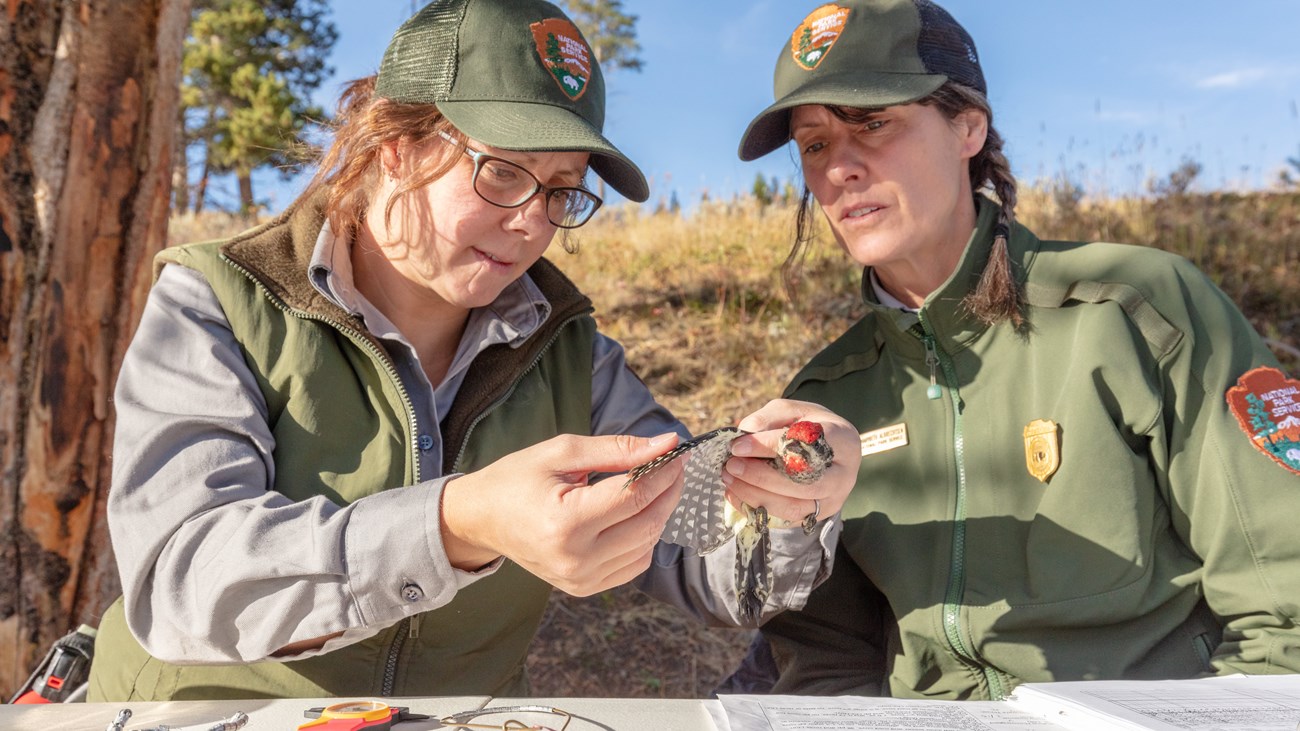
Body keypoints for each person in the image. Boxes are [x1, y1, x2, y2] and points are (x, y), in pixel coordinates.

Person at [86, 0, 863, 701]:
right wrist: (457, 523)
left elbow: (704, 558)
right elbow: (181, 579)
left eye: (561, 191)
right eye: (503, 173)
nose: (533, 222)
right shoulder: (222, 299)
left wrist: (792, 499)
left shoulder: (570, 352)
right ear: (394, 145)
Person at [730, 0, 1300, 700]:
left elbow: (1285, 604)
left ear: (967, 126)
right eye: (815, 144)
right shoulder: (827, 398)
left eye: (873, 123)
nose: (840, 168)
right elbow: (826, 658)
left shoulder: (1134, 309)